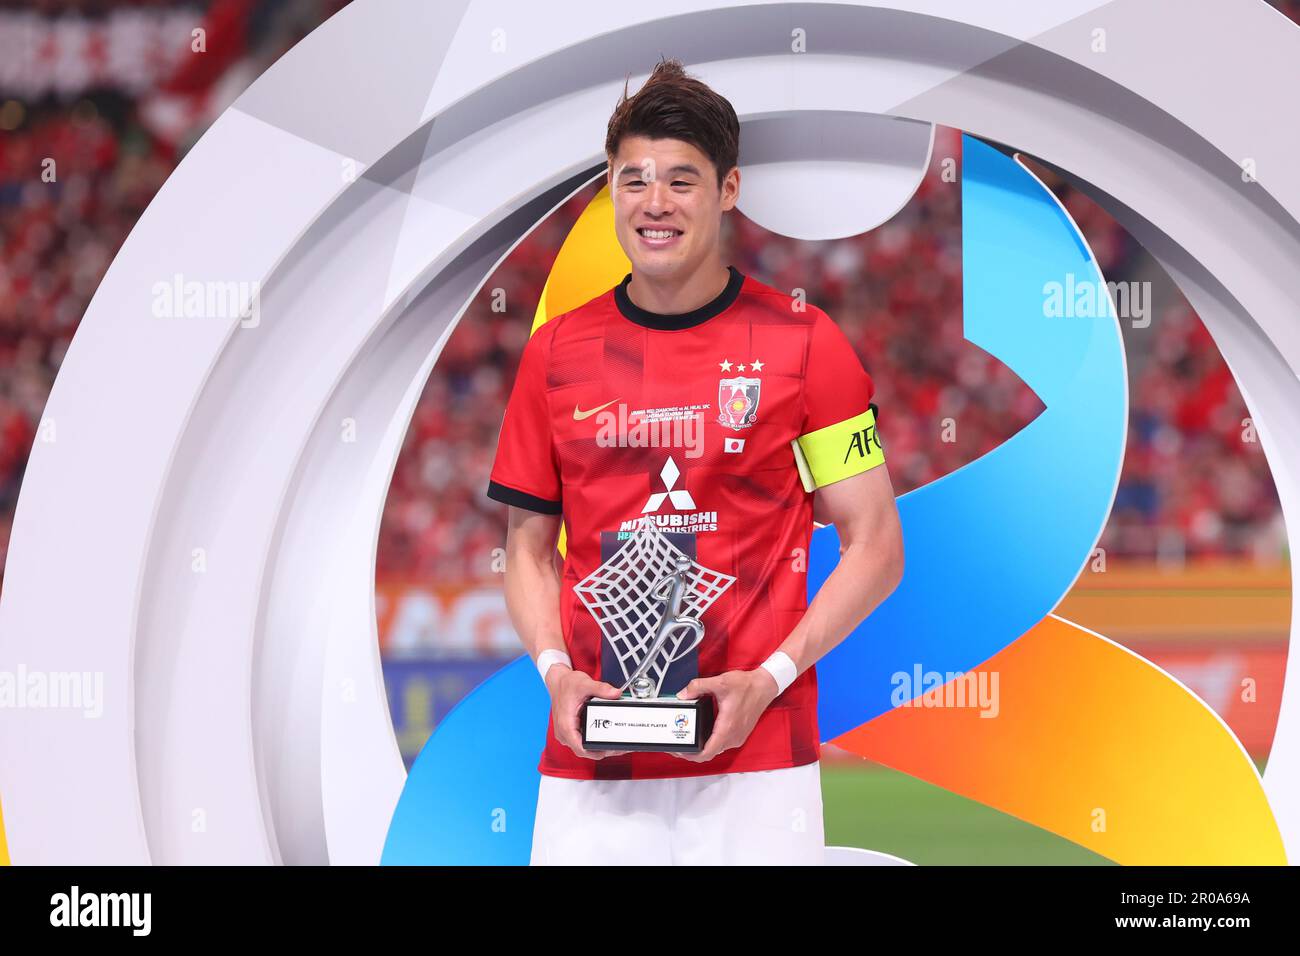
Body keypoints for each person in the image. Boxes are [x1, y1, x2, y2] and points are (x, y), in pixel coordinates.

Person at [486, 57, 904, 865]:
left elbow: (876, 545)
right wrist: (554, 674)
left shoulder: (803, 343)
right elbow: (528, 551)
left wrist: (771, 677)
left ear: (729, 190)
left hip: (758, 766)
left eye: (682, 180)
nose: (655, 203)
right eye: (633, 179)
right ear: (611, 189)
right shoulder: (555, 355)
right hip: (590, 769)